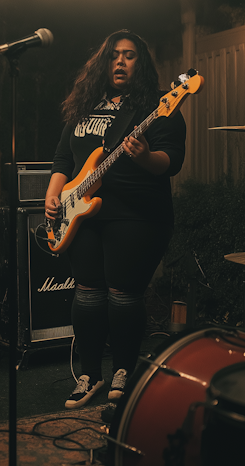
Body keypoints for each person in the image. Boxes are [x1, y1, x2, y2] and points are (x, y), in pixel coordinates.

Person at [45, 30, 186, 409]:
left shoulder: (158, 107)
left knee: (123, 294)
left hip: (136, 214)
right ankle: (89, 375)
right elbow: (64, 157)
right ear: (102, 63)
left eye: (129, 55)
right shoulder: (85, 106)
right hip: (82, 214)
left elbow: (170, 162)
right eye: (113, 56)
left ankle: (123, 371)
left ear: (142, 63)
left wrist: (143, 156)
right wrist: (54, 194)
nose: (120, 62)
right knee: (88, 293)